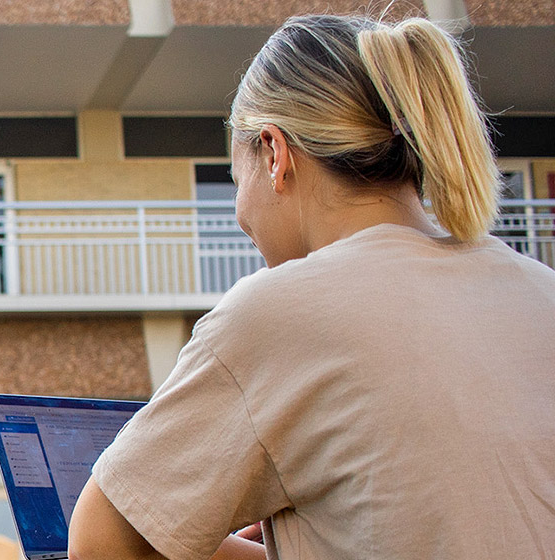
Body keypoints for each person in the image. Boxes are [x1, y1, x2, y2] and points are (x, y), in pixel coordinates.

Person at [67, 14, 555, 560]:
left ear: (274, 155)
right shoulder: (541, 291)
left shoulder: (279, 312)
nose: (240, 214)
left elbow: (100, 542)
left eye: (235, 178)